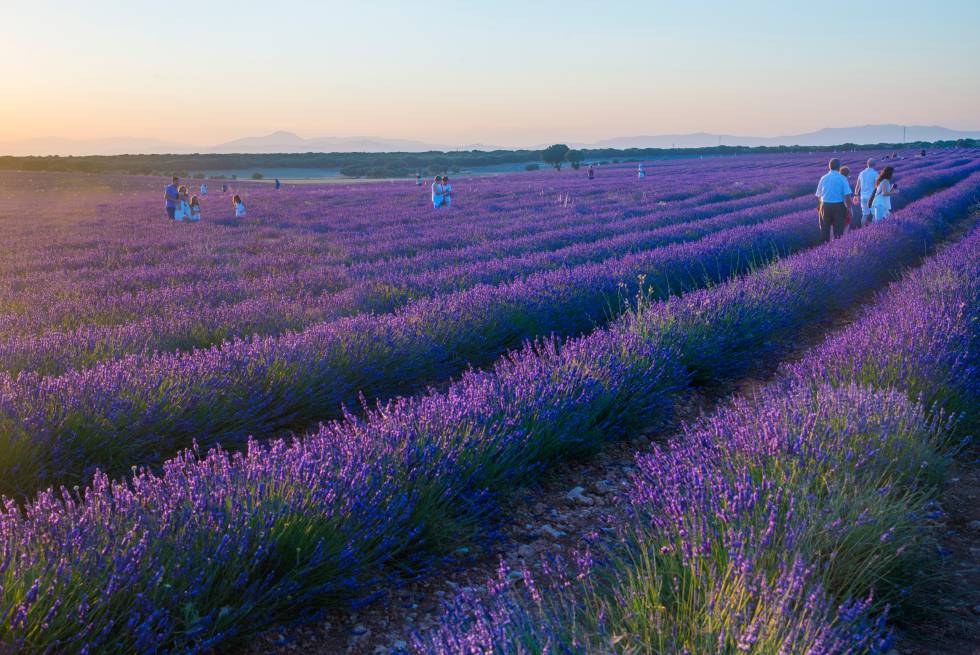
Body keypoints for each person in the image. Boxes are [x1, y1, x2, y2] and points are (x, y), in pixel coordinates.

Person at [814, 158, 852, 242]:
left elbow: (819, 195)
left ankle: (824, 249)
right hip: (838, 206)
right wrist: (849, 209)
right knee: (838, 230)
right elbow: (847, 196)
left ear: (829, 166)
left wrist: (819, 207)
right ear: (839, 167)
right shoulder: (842, 178)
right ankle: (837, 249)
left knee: (824, 230)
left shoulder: (823, 178)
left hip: (825, 206)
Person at [852, 158, 878, 228]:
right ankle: (873, 229)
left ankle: (863, 229)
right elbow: (877, 186)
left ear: (867, 164)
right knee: (874, 214)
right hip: (872, 197)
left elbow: (857, 186)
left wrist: (856, 195)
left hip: (863, 197)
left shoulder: (862, 173)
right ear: (875, 165)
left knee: (864, 214)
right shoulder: (875, 173)